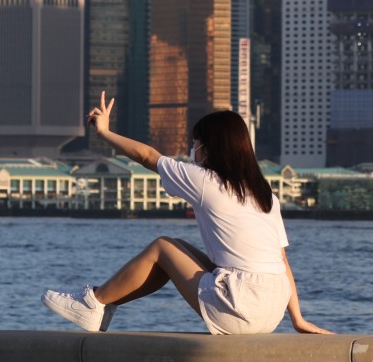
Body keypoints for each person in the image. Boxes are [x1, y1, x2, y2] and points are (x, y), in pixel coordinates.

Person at [42, 93, 330, 335]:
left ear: (210, 146)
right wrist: (297, 319)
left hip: (240, 306)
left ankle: (93, 302)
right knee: (176, 247)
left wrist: (104, 132)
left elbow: (148, 157)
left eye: (196, 142)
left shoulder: (205, 179)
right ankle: (103, 307)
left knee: (162, 247)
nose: (193, 148)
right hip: (272, 310)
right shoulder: (264, 194)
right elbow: (281, 261)